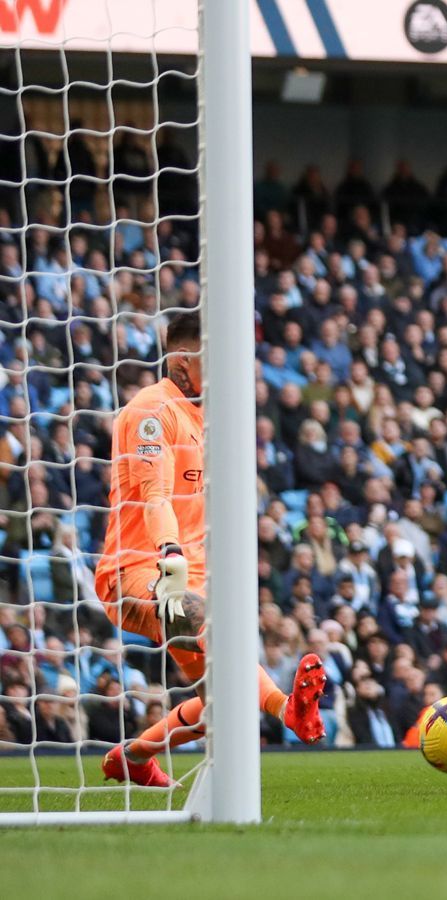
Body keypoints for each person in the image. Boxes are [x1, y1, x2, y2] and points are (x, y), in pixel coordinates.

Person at [96, 311, 325, 788]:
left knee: (224, 699)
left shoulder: (206, 416)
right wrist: (172, 555)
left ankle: (132, 758)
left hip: (193, 573)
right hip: (141, 569)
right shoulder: (151, 412)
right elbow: (154, 495)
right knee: (206, 622)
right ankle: (287, 711)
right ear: (182, 361)